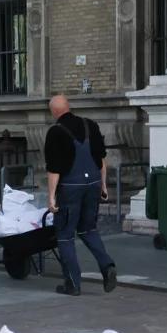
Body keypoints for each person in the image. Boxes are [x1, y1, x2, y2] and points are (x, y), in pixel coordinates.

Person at [44, 95, 117, 296]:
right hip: (93, 184)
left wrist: (51, 196)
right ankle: (107, 265)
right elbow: (101, 159)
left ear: (54, 112)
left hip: (70, 188)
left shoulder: (55, 132)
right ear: (69, 107)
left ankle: (73, 284)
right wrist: (103, 186)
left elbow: (54, 169)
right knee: (88, 229)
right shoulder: (90, 125)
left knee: (65, 236)